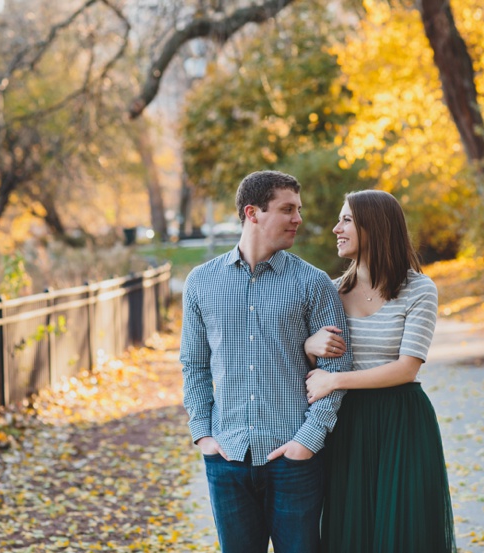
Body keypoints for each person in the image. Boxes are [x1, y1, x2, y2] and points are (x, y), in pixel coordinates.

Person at [180, 170, 353, 553]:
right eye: (288, 209)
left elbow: (338, 369)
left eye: (299, 209)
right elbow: (193, 365)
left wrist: (306, 442)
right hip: (227, 458)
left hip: (294, 460)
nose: (299, 219)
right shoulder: (201, 282)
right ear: (252, 213)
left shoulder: (314, 284)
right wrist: (204, 435)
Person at [302, 189, 456, 552]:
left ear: (374, 226)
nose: (335, 228)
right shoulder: (332, 291)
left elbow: (406, 369)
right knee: (352, 529)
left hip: (402, 422)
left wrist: (335, 380)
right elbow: (307, 364)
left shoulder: (420, 289)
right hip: (348, 423)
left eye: (346, 220)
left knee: (402, 531)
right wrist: (309, 347)